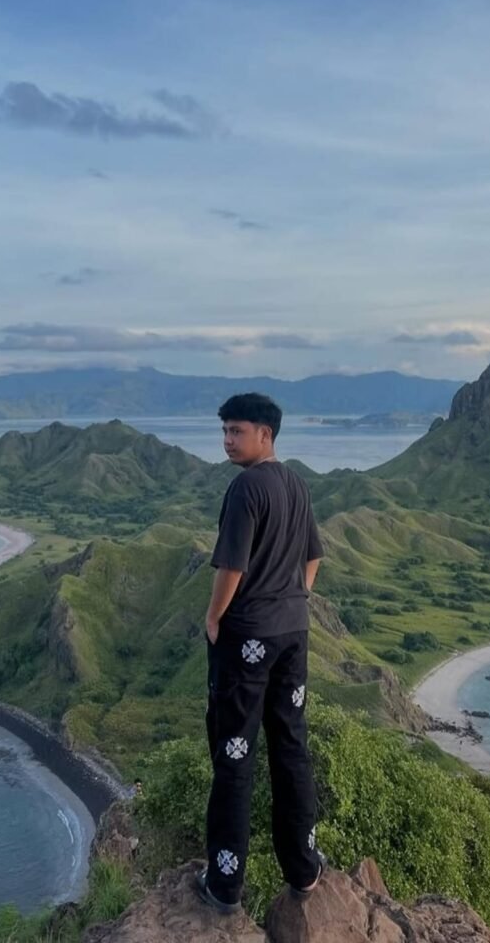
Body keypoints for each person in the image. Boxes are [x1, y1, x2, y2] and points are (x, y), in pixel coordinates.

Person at [195, 392, 326, 915]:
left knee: (235, 755)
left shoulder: (246, 487)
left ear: (265, 435)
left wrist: (213, 617)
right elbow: (313, 557)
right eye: (224, 430)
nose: (227, 441)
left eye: (237, 431)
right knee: (291, 746)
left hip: (247, 637)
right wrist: (293, 600)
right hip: (293, 632)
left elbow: (232, 568)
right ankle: (305, 866)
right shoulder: (295, 482)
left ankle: (225, 883)